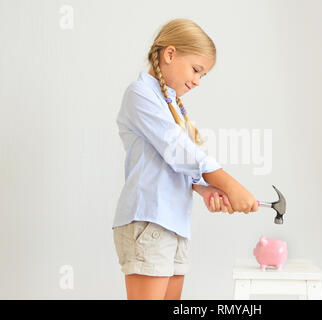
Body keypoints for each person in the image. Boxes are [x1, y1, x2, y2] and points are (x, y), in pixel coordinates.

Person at [112, 18, 258, 300]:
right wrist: (229, 184)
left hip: (174, 223)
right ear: (169, 54)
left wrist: (204, 188)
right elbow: (178, 150)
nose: (197, 81)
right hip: (149, 222)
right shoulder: (140, 94)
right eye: (196, 69)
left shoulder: (170, 105)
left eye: (203, 75)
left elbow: (173, 164)